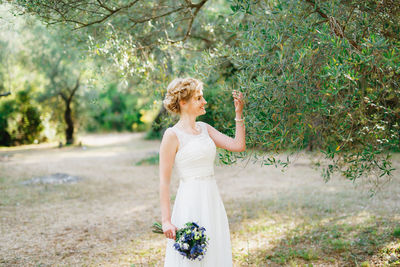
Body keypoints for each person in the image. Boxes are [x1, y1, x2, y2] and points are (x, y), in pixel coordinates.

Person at [159, 77, 245, 266]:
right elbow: (164, 182)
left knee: (214, 253)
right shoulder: (172, 135)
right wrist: (166, 220)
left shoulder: (205, 129)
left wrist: (239, 114)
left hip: (212, 200)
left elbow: (238, 145)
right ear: (183, 102)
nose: (204, 101)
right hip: (189, 202)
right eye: (198, 98)